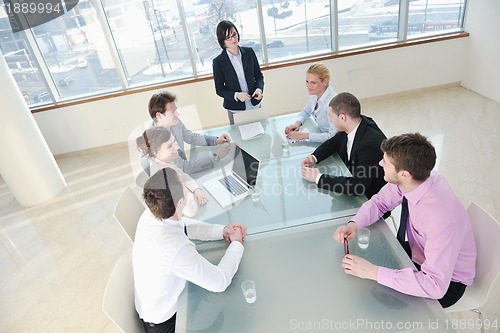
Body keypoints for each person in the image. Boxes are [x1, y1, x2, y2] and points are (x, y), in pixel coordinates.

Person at [333, 133, 477, 308]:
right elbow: (380, 202)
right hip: (420, 254)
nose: (380, 163)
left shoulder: (440, 219)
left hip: (447, 284)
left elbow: (435, 286)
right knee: (363, 265)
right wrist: (354, 223)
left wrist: (373, 272)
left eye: (385, 161)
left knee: (372, 304)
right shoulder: (418, 180)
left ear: (404, 174)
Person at [133, 167, 246, 333]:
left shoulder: (151, 214)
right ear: (180, 203)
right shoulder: (176, 249)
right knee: (231, 285)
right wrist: (237, 244)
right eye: (185, 187)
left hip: (156, 306)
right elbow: (219, 282)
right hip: (169, 325)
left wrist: (222, 231)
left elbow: (184, 224)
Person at [301, 92, 387, 202]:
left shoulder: (370, 145)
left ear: (342, 117)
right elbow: (334, 142)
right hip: (352, 189)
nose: (330, 120)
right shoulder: (355, 123)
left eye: (331, 116)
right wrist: (313, 157)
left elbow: (357, 187)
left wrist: (318, 177)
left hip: (370, 201)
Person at [148, 90, 231, 174]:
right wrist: (216, 156)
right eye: (172, 112)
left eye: (175, 110)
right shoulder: (157, 141)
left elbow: (191, 137)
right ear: (159, 115)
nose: (177, 114)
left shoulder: (174, 122)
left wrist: (216, 140)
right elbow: (185, 168)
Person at [137, 126, 208, 217]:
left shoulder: (165, 161)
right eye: (170, 146)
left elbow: (182, 175)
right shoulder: (164, 177)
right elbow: (190, 211)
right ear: (156, 153)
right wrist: (190, 193)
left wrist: (196, 189)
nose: (176, 148)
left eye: (174, 142)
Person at [212, 20, 264, 125]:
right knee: (240, 140)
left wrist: (259, 90)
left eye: (234, 34)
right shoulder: (218, 62)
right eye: (228, 37)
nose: (233, 39)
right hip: (236, 110)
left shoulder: (249, 52)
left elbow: (259, 76)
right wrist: (236, 95)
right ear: (223, 41)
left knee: (262, 135)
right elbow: (220, 90)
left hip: (255, 105)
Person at [285, 63, 337, 143]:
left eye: (313, 83)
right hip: (320, 133)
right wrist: (297, 123)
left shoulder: (332, 104)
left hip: (333, 144)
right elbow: (307, 111)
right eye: (307, 81)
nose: (308, 86)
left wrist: (304, 135)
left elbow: (332, 136)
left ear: (325, 81)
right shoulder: (316, 94)